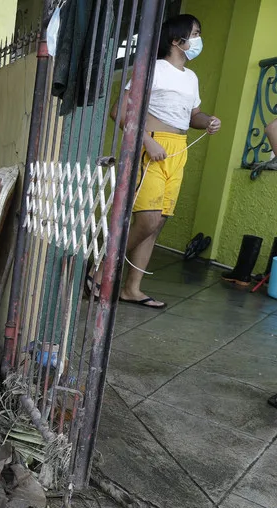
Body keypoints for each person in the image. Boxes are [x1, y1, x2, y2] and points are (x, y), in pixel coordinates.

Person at [102, 14, 220, 308]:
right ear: (177, 40)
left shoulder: (191, 78)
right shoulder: (152, 69)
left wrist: (209, 121)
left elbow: (193, 116)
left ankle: (132, 289)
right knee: (148, 219)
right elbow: (119, 111)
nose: (199, 40)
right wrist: (146, 140)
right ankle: (101, 270)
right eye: (195, 33)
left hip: (177, 151)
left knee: (157, 224)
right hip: (151, 146)